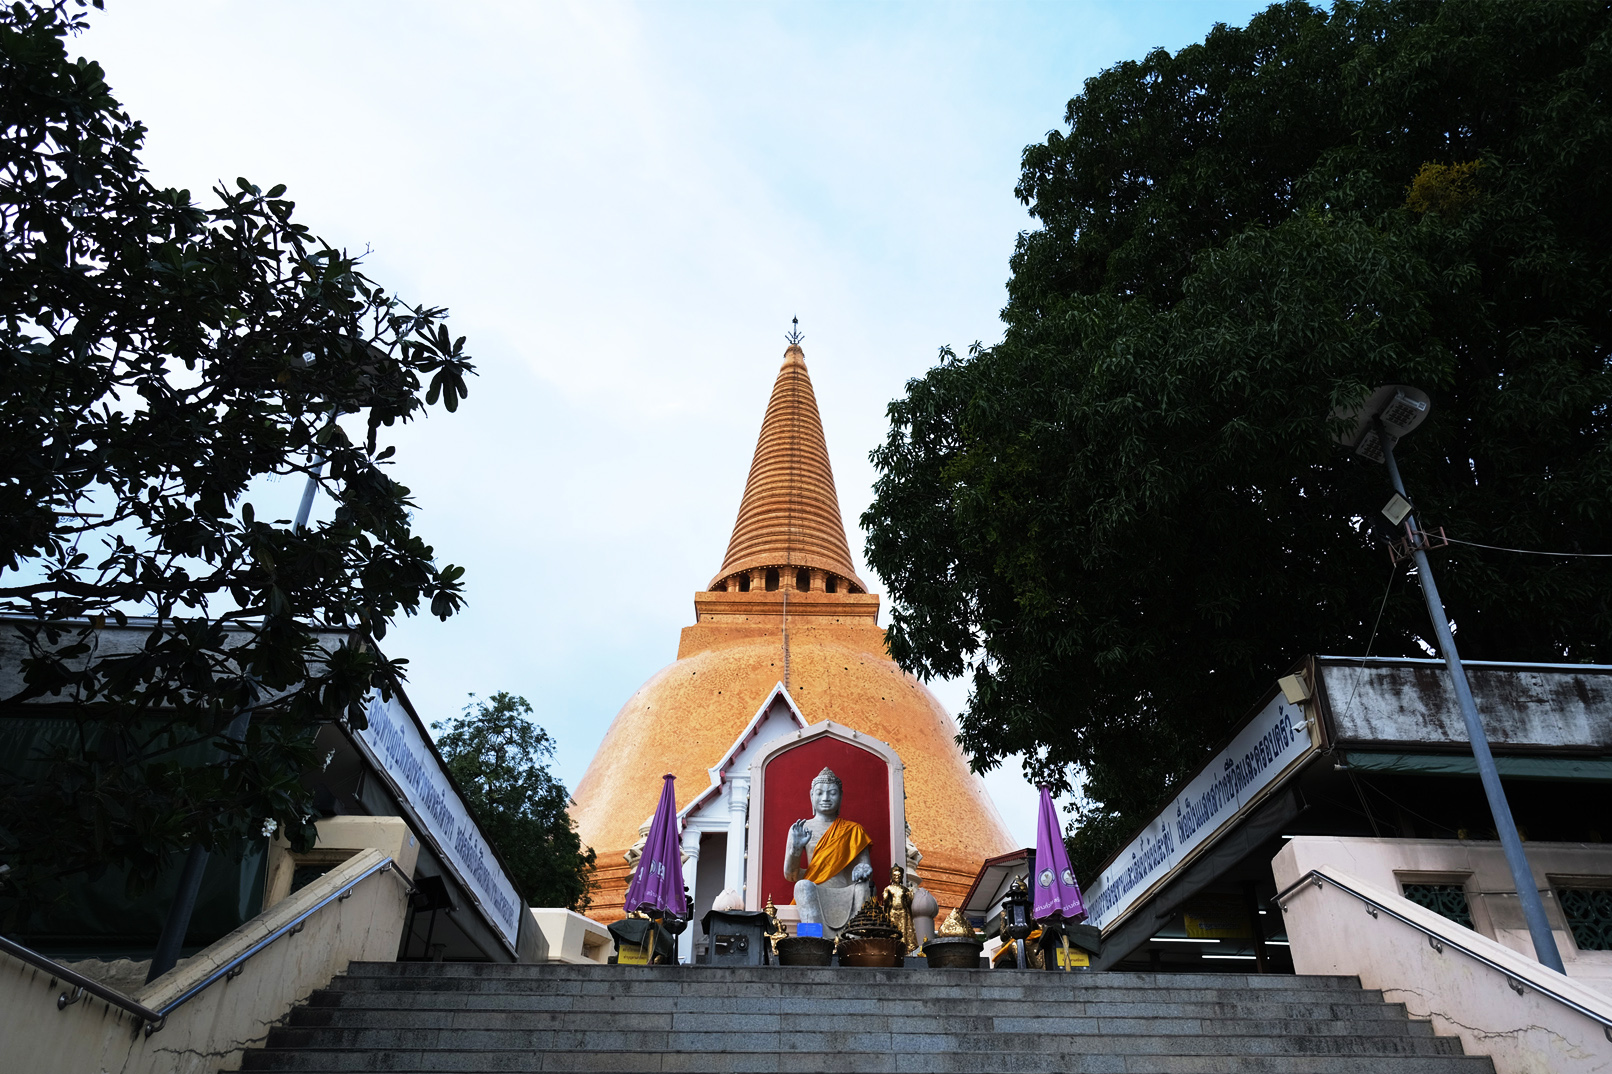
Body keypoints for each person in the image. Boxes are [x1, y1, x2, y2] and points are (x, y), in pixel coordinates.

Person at [784, 767, 872, 937]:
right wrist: (795, 849)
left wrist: (863, 870)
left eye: (832, 793)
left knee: (864, 886)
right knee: (802, 885)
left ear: (841, 796)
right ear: (811, 796)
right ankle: (815, 939)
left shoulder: (854, 830)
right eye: (819, 793)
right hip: (815, 889)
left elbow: (865, 868)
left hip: (846, 889)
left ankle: (854, 939)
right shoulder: (801, 828)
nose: (825, 798)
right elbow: (791, 875)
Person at [881, 864, 917, 952]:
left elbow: (909, 902)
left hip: (903, 911)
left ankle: (904, 947)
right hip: (893, 911)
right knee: (893, 929)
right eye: (895, 876)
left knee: (903, 930)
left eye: (899, 876)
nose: (897, 877)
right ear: (891, 877)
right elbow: (885, 900)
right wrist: (886, 897)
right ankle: (892, 946)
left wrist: (910, 896)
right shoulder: (888, 888)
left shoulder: (905, 889)